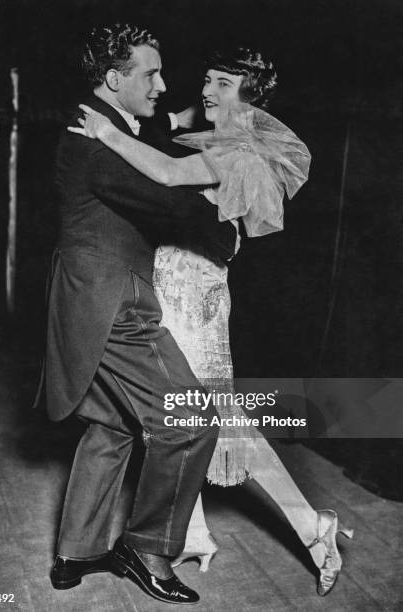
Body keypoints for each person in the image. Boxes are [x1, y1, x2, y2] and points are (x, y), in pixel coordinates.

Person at [69, 46, 354, 597]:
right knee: (182, 418)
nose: (208, 89)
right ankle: (194, 531)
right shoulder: (215, 134)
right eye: (208, 78)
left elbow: (170, 173)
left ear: (248, 96)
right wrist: (155, 116)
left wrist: (106, 132)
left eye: (223, 83)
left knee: (213, 421)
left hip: (195, 294)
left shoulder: (242, 152)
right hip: (173, 285)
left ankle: (313, 526)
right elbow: (171, 129)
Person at [37, 24, 241, 605]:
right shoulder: (92, 139)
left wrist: (188, 119)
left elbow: (156, 129)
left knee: (112, 425)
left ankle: (75, 553)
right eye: (149, 74)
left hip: (84, 298)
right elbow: (164, 199)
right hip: (114, 301)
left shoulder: (111, 124)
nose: (161, 83)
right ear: (113, 79)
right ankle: (147, 548)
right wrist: (226, 232)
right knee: (192, 416)